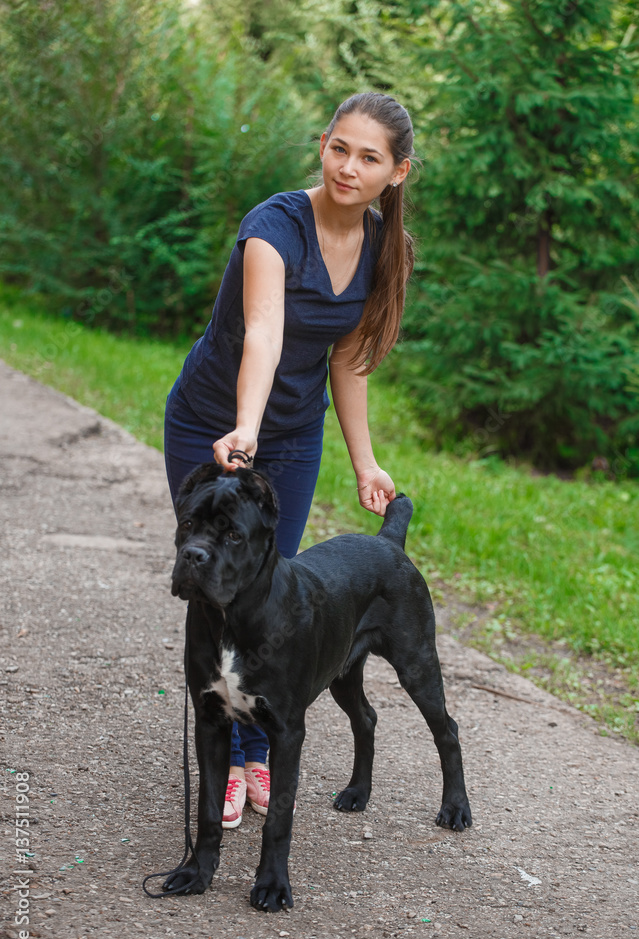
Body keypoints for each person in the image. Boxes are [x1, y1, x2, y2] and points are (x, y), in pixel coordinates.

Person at [164, 91, 415, 828]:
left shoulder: (382, 247)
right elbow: (264, 332)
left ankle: (256, 750)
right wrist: (243, 428)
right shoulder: (273, 226)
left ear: (396, 172)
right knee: (214, 576)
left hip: (296, 434)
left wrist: (365, 462)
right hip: (213, 421)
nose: (348, 167)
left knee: (268, 589)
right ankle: (228, 748)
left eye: (368, 157)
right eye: (339, 148)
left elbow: (348, 362)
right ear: (322, 144)